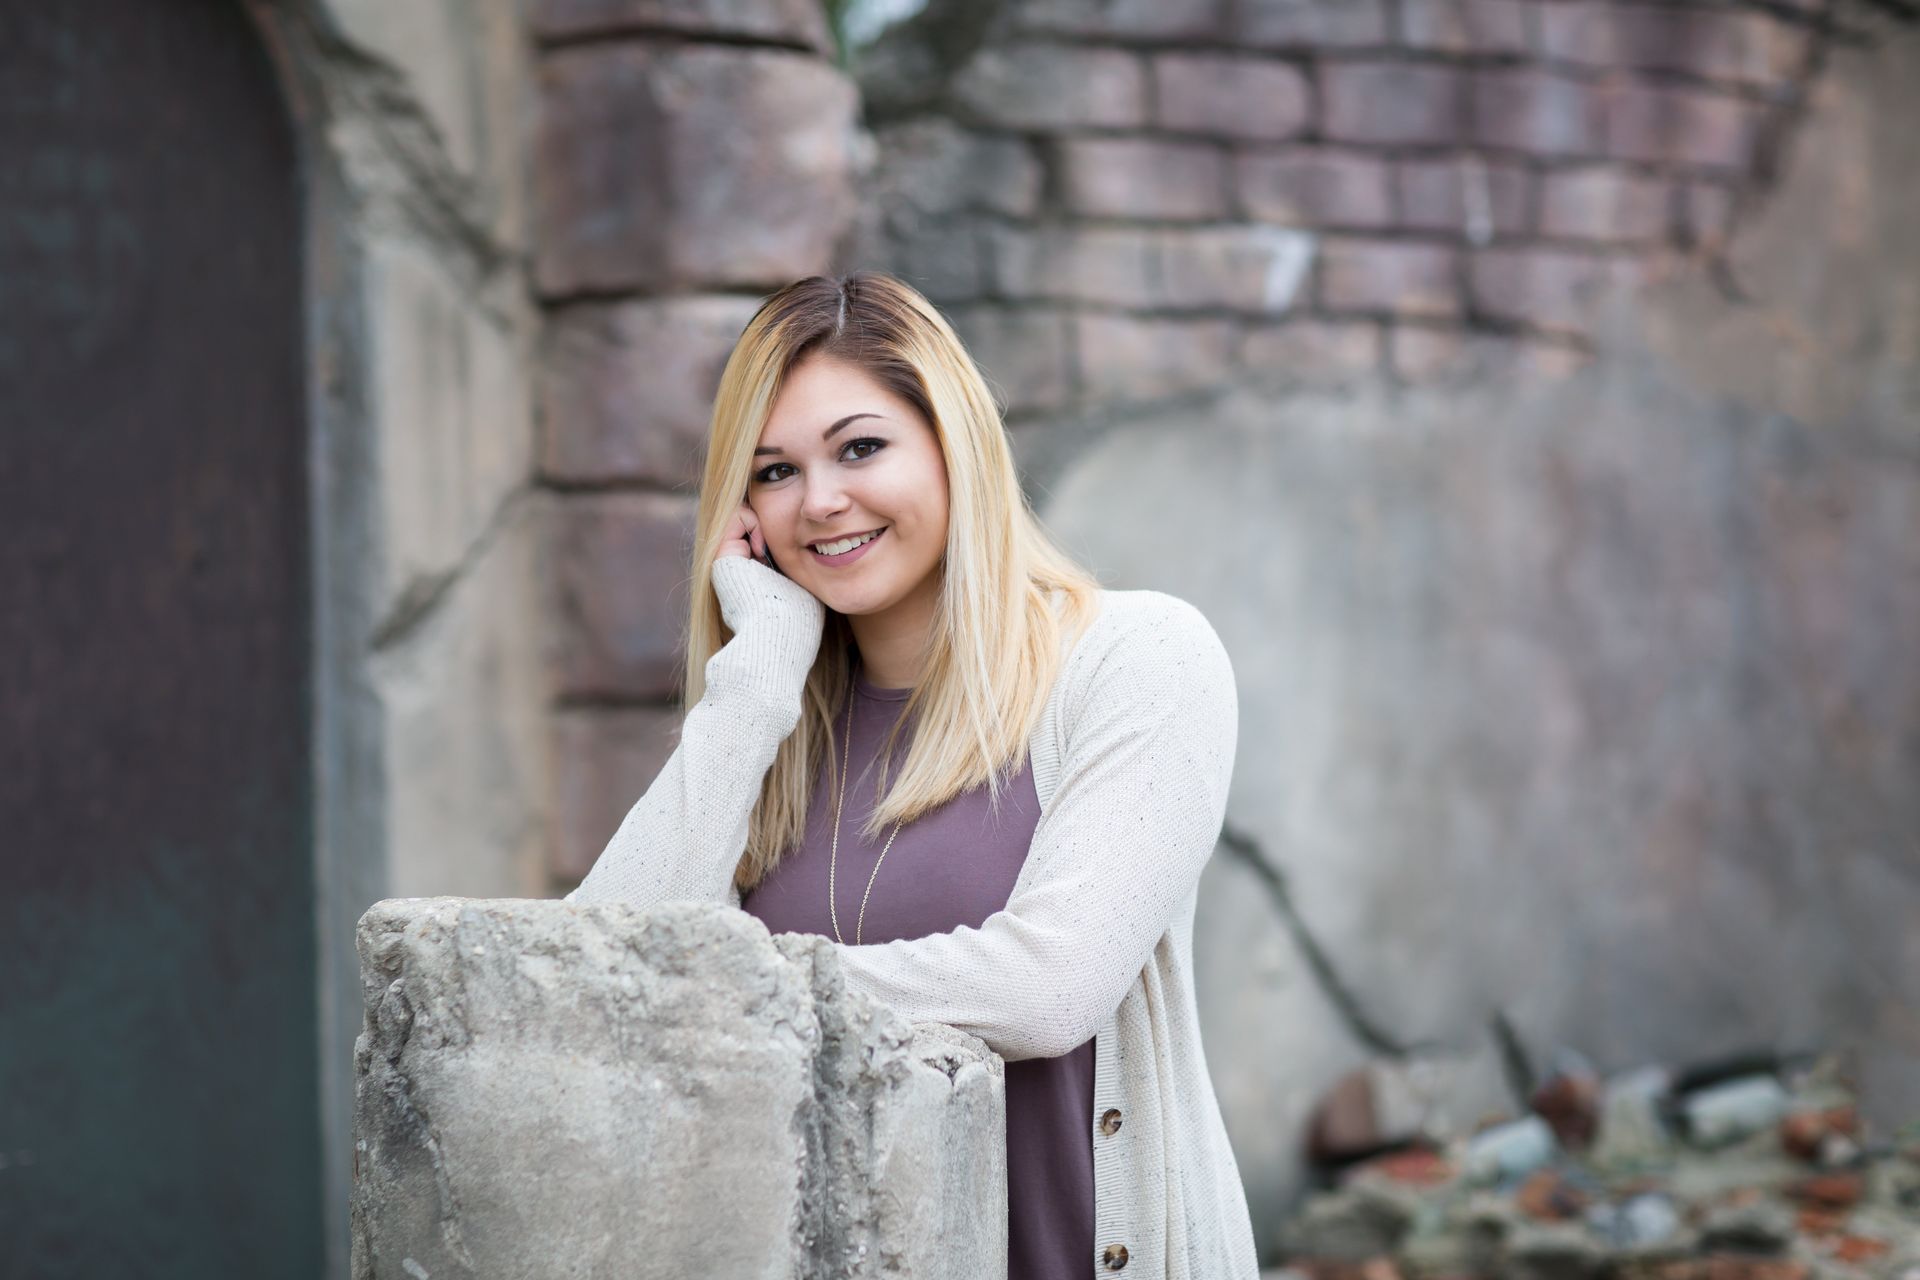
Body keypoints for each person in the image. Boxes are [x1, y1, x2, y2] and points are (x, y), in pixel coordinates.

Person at [565, 271, 1260, 1279]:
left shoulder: (1137, 659)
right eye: (773, 471)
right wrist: (754, 681)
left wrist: (714, 989)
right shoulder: (776, 727)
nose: (821, 500)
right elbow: (592, 984)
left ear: (953, 442)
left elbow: (1046, 986)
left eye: (860, 447)